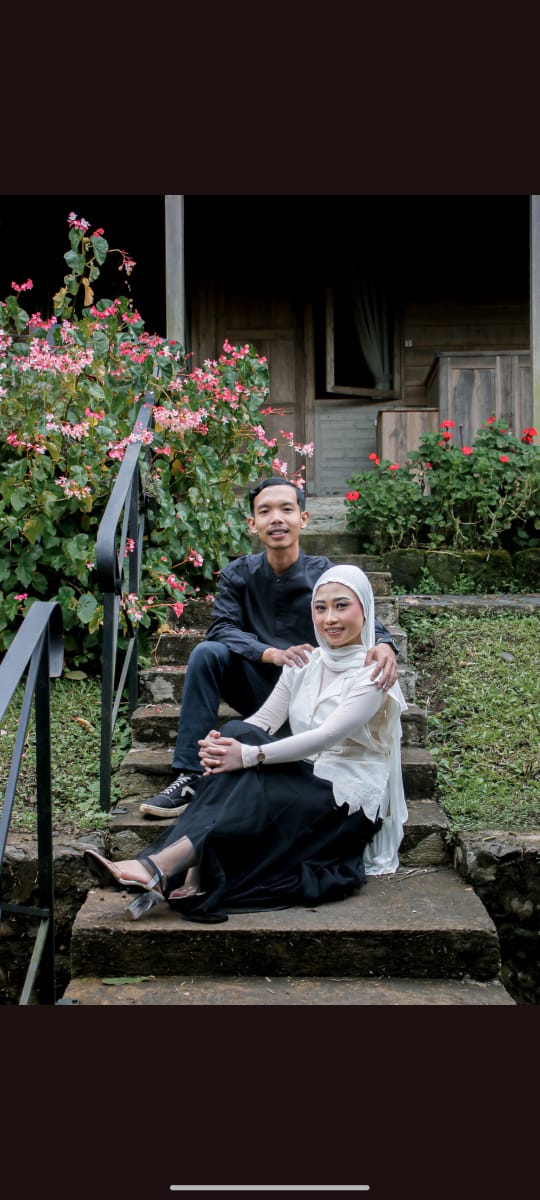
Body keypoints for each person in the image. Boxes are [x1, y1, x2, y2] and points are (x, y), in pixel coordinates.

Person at [85, 564, 408, 924]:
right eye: (320, 608)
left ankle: (165, 867)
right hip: (308, 775)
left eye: (341, 606)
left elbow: (327, 735)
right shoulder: (305, 661)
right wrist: (220, 745)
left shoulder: (376, 672)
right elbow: (264, 720)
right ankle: (176, 870)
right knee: (237, 730)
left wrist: (248, 756)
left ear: (365, 609)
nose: (329, 618)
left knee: (245, 752)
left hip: (344, 799)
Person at [139, 477, 399, 818]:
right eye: (265, 511)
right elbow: (221, 628)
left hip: (312, 700)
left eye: (286, 509)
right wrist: (271, 654)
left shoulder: (325, 574)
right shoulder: (238, 574)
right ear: (253, 523)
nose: (276, 518)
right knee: (206, 653)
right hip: (258, 687)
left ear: (303, 519)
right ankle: (190, 775)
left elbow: (363, 616)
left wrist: (385, 643)